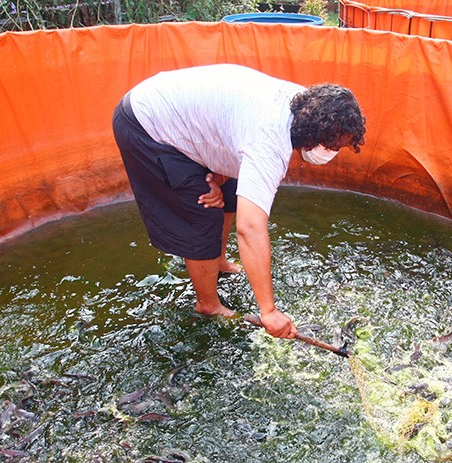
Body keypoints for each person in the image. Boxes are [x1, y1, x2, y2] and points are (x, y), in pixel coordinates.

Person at [112, 63, 366, 339]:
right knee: (201, 211)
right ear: (316, 134)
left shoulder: (305, 107)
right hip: (146, 124)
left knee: (230, 191)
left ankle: (217, 262)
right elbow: (250, 227)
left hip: (183, 114)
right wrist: (268, 311)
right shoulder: (270, 143)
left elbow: (225, 131)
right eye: (333, 147)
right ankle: (208, 304)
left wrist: (218, 180)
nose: (333, 153)